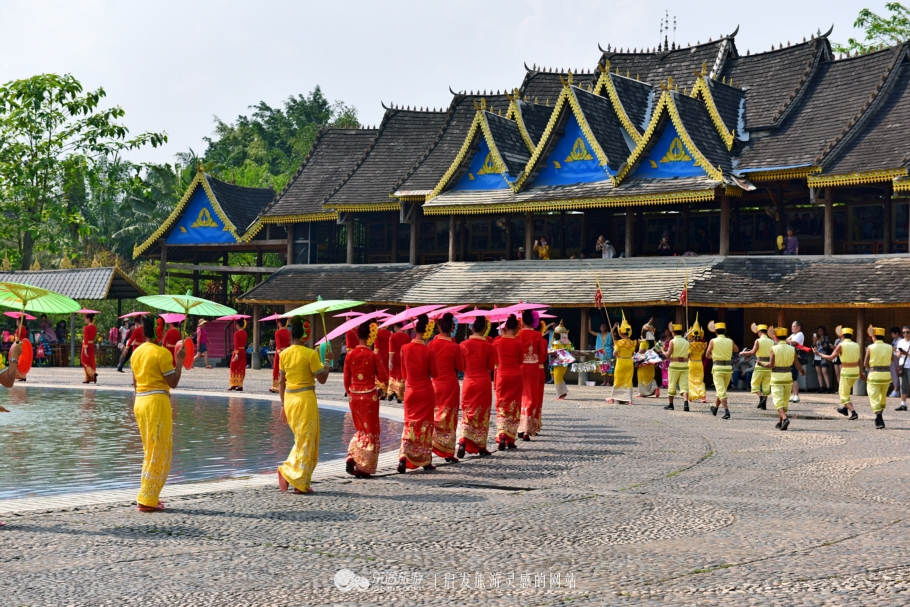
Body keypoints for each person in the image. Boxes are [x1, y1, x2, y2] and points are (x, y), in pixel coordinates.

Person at [131, 314, 186, 512]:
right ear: (158, 330)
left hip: (140, 402)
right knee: (159, 449)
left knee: (149, 449)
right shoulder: (161, 353)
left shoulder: (136, 353)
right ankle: (147, 498)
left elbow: (135, 384)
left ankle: (149, 495)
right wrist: (179, 359)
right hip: (156, 403)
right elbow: (173, 382)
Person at [278, 317, 332, 493]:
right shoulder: (311, 354)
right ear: (306, 334)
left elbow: (281, 382)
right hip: (305, 400)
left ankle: (300, 481)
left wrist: (283, 406)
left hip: (290, 400)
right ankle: (288, 472)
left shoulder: (283, 354)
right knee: (307, 440)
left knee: (302, 440)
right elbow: (322, 379)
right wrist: (328, 361)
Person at [343, 320, 388, 477]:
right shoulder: (372, 355)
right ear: (370, 337)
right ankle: (364, 466)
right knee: (371, 430)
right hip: (369, 395)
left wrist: (350, 393)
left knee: (360, 428)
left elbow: (346, 380)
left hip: (354, 396)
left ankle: (352, 456)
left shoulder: (349, 355)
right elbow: (383, 376)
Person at [397, 314, 439, 473]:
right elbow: (435, 374)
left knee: (410, 423)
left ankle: (403, 454)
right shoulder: (429, 351)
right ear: (427, 332)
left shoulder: (404, 348)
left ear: (415, 330)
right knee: (425, 426)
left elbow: (404, 373)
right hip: (425, 391)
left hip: (411, 392)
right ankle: (425, 459)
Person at [457, 317, 496, 458]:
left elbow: (460, 367)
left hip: (469, 381)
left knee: (468, 412)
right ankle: (480, 445)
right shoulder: (489, 346)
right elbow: (491, 367)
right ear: (485, 330)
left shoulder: (463, 344)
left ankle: (463, 440)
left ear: (473, 328)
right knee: (482, 414)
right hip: (483, 382)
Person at [428, 312, 464, 462]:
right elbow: (461, 367)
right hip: (450, 384)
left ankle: (429, 445)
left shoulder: (431, 344)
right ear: (452, 329)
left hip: (435, 384)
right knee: (449, 417)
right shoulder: (454, 347)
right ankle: (447, 451)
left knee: (434, 415)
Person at [757, 326, 805, 431]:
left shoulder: (774, 348)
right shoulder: (792, 349)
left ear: (776, 338)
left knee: (778, 401)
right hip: (788, 377)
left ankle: (785, 418)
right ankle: (779, 422)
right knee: (784, 400)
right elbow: (797, 364)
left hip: (776, 378)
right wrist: (802, 371)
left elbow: (771, 364)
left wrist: (761, 364)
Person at [492, 314, 523, 450]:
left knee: (502, 403)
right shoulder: (519, 343)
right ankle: (510, 437)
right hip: (515, 375)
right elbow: (521, 361)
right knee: (514, 405)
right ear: (516, 328)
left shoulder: (497, 342)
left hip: (502, 375)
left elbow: (494, 361)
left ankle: (502, 433)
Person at [817, 327, 861, 420]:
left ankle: (853, 412)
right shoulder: (856, 345)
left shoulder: (841, 345)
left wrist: (819, 354)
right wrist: (861, 373)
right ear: (851, 336)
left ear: (842, 336)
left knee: (843, 394)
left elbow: (831, 357)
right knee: (847, 390)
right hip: (855, 371)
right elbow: (859, 360)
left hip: (846, 371)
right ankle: (845, 409)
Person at [517, 310, 546, 440]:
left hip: (520, 367)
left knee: (520, 396)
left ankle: (519, 426)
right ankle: (528, 429)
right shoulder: (538, 336)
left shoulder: (518, 335)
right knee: (532, 397)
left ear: (522, 321)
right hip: (534, 368)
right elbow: (542, 356)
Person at [706, 322, 739, 419]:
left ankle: (726, 411)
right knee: (722, 390)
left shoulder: (713, 341)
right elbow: (736, 349)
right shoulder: (730, 341)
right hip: (728, 368)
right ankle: (715, 409)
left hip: (718, 368)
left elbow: (707, 355)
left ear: (715, 331)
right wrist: (728, 351)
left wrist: (714, 355)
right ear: (725, 331)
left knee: (721, 391)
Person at [864, 327, 893, 429]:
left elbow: (865, 363)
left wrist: (869, 368)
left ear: (874, 337)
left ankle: (879, 416)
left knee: (873, 395)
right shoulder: (889, 347)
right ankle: (878, 417)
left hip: (874, 375)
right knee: (882, 396)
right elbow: (892, 359)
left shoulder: (870, 347)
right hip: (886, 375)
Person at [741, 324, 773, 409]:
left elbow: (752, 352)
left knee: (754, 383)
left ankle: (761, 397)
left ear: (759, 332)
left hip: (759, 364)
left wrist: (743, 353)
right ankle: (764, 405)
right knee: (766, 385)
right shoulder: (771, 341)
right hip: (769, 365)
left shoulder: (758, 341)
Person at [607, 315, 636, 405]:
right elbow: (632, 354)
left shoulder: (618, 343)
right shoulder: (632, 343)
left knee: (618, 380)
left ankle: (612, 398)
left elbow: (615, 354)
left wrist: (615, 348)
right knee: (628, 380)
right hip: (629, 362)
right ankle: (629, 400)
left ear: (621, 333)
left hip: (621, 362)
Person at [662, 323, 690, 411]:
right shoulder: (686, 342)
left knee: (672, 384)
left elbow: (667, 355)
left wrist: (662, 350)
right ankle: (686, 403)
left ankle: (671, 404)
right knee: (684, 385)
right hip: (684, 365)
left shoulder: (672, 341)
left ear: (673, 332)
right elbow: (689, 355)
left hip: (674, 365)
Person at [549, 322, 575, 400]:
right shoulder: (568, 342)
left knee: (557, 377)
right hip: (565, 362)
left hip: (558, 362)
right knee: (559, 377)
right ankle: (563, 392)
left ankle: (561, 394)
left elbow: (554, 351)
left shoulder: (556, 343)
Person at [388, 323, 410, 403]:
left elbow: (391, 350)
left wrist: (390, 361)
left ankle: (392, 392)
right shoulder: (407, 336)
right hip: (403, 357)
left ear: (395, 326)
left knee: (393, 375)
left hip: (395, 358)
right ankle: (400, 395)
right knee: (401, 375)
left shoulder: (392, 336)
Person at [687, 319, 708, 403]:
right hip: (699, 363)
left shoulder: (690, 345)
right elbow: (702, 355)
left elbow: (688, 355)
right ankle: (703, 396)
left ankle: (691, 397)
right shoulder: (703, 345)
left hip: (691, 363)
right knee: (700, 380)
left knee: (691, 380)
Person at [589, 320, 613, 386]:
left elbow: (611, 333)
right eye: (601, 326)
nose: (602, 327)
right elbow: (590, 330)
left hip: (608, 352)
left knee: (610, 366)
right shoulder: (598, 334)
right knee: (602, 367)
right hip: (601, 353)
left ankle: (609, 381)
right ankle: (604, 381)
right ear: (600, 328)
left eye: (604, 326)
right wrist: (589, 321)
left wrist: (614, 327)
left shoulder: (609, 334)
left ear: (606, 327)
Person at [270, 318, 291, 393]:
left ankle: (276, 386)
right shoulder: (289, 332)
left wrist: (279, 352)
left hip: (280, 352)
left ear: (279, 323)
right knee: (286, 368)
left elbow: (278, 345)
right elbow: (289, 344)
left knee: (277, 368)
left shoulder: (277, 332)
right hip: (287, 352)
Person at [787, 321, 805, 403]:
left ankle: (796, 395)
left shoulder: (800, 334)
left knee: (794, 376)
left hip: (796, 356)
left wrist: (783, 339)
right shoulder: (793, 335)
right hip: (791, 356)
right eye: (792, 326)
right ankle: (793, 394)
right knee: (791, 377)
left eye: (794, 326)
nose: (792, 328)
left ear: (799, 327)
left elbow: (793, 343)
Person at [812, 326, 833, 393]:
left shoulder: (826, 338)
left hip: (823, 356)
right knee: (818, 372)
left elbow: (826, 346)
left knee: (825, 372)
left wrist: (819, 340)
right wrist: (814, 342)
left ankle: (828, 387)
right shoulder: (816, 338)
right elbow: (813, 347)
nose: (820, 332)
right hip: (816, 356)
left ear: (824, 331)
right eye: (819, 331)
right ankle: (821, 387)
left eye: (821, 330)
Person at [228, 320, 247, 391]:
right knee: (241, 368)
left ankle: (234, 384)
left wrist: (236, 353)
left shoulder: (236, 333)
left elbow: (236, 344)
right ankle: (239, 385)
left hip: (237, 352)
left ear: (238, 325)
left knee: (233, 367)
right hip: (243, 351)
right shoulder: (245, 333)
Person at [373, 323, 392, 398]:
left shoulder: (377, 333)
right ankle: (386, 392)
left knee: (380, 372)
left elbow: (376, 347)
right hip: (387, 355)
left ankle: (380, 389)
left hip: (380, 355)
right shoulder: (389, 333)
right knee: (387, 372)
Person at [896, 325, 910, 411]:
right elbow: (897, 354)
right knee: (902, 385)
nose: (905, 334)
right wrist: (900, 353)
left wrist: (907, 354)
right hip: (902, 366)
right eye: (904, 332)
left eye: (907, 332)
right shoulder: (900, 342)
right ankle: (903, 404)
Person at [82, 313, 98, 385]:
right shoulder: (94, 327)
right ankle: (88, 378)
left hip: (87, 345)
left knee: (84, 361)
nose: (84, 320)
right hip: (91, 344)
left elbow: (86, 338)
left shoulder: (86, 328)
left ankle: (92, 374)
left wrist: (85, 348)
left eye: (85, 318)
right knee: (90, 361)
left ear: (88, 319)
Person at [890, 327, 903, 398]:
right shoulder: (894, 340)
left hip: (897, 358)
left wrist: (891, 348)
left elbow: (900, 349)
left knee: (896, 373)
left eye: (892, 334)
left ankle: (896, 389)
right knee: (893, 373)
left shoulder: (900, 340)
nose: (892, 335)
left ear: (896, 333)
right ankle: (896, 389)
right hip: (893, 357)